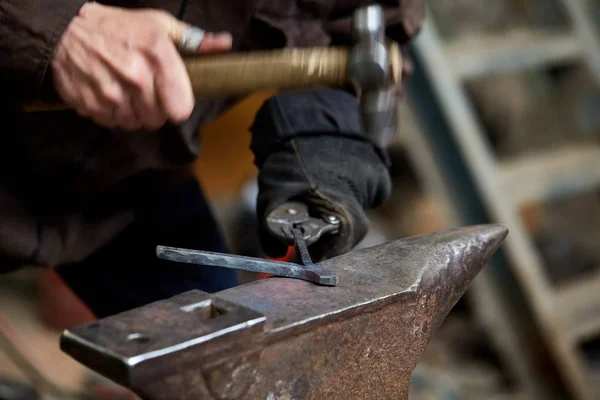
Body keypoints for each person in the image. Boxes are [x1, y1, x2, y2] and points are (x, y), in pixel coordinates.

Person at [0, 1, 424, 318]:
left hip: (123, 178)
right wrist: (54, 27)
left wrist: (325, 154)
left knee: (230, 355)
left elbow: (355, 31)